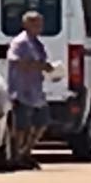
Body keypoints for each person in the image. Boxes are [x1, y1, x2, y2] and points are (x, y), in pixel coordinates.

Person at [7, 10, 55, 167]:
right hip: (21, 91)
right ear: (26, 24)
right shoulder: (20, 42)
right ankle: (17, 156)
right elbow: (17, 62)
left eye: (40, 23)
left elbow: (42, 61)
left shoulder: (37, 43)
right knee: (22, 126)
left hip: (36, 91)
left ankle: (26, 152)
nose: (39, 26)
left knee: (41, 122)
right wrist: (39, 66)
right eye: (35, 23)